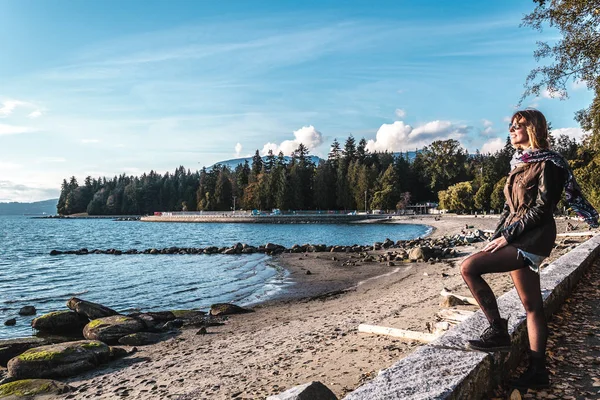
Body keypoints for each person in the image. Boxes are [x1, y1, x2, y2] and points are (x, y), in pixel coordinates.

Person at [459, 109, 599, 390]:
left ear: (533, 128)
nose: (511, 130)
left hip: (533, 237)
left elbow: (542, 209)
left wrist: (508, 237)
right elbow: (508, 209)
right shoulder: (519, 164)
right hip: (517, 235)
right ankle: (538, 372)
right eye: (510, 126)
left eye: (518, 126)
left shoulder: (549, 164)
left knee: (469, 267)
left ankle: (498, 331)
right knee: (532, 306)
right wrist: (498, 235)